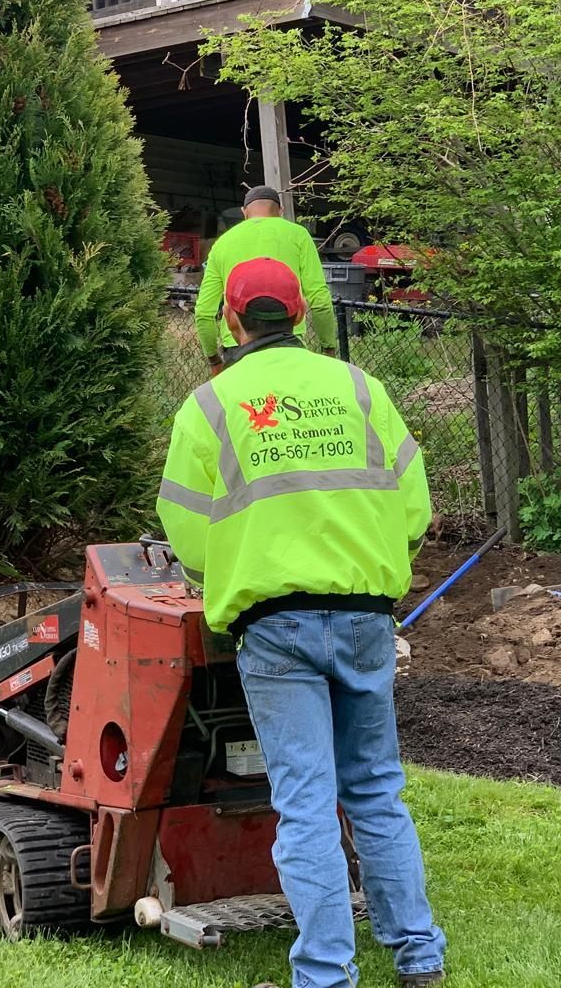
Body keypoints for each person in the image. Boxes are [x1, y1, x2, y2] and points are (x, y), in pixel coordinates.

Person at [158, 257, 445, 988]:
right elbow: (413, 511)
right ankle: (419, 957)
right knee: (376, 790)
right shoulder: (360, 389)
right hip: (365, 620)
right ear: (301, 315)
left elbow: (186, 535)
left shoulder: (210, 406)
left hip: (273, 629)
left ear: (228, 320)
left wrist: (217, 578)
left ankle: (325, 975)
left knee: (307, 804)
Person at [195, 186, 338, 375]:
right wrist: (328, 348)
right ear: (280, 211)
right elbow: (320, 301)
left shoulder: (223, 243)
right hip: (288, 344)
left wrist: (214, 359)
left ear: (244, 212)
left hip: (238, 347)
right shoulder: (298, 235)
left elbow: (204, 312)